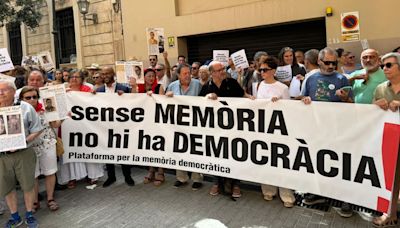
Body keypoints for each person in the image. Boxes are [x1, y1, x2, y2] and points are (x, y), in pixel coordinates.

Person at [301, 47, 352, 216]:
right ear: (320, 61)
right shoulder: (310, 79)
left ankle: (346, 198)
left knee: (340, 163)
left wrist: (345, 98)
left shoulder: (342, 78)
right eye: (327, 62)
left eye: (334, 63)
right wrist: (305, 99)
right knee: (319, 161)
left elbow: (351, 105)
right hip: (317, 128)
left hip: (338, 129)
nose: (331, 66)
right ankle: (318, 194)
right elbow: (302, 99)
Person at [200, 60, 254, 198]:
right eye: (219, 70)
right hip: (215, 129)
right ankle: (216, 182)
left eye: (223, 68)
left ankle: (236, 184)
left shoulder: (232, 82)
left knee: (234, 155)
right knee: (216, 155)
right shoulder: (207, 87)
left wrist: (252, 99)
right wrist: (207, 98)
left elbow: (243, 95)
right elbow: (198, 104)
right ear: (211, 73)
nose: (223, 71)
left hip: (233, 127)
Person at [0, 80, 43, 228]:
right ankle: (14, 216)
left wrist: (23, 141)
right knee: (7, 187)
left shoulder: (25, 107)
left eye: (4, 90)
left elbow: (38, 128)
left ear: (13, 92)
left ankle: (30, 214)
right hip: (2, 156)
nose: (0, 93)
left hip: (23, 152)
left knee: (27, 185)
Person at [255, 56, 294, 207]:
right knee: (266, 159)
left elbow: (289, 109)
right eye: (260, 70)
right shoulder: (260, 85)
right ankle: (268, 190)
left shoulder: (282, 88)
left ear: (273, 70)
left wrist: (279, 104)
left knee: (281, 161)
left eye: (264, 69)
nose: (262, 72)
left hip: (279, 129)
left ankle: (286, 195)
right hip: (264, 128)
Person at [58, 70, 103, 188]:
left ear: (82, 79)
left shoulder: (88, 90)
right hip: (68, 127)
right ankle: (71, 177)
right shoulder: (63, 91)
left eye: (77, 77)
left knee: (87, 149)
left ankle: (92, 175)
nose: (73, 79)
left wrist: (93, 95)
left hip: (85, 126)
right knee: (70, 151)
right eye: (71, 77)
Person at [19, 86, 62, 213]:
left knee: (50, 172)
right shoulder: (18, 111)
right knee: (33, 176)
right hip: (29, 147)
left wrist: (62, 116)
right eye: (28, 97)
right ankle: (35, 201)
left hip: (47, 144)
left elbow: (55, 124)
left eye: (35, 97)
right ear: (22, 99)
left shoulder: (46, 109)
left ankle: (50, 199)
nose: (32, 100)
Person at [372, 52, 400, 227]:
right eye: (383, 66)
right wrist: (376, 105)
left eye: (388, 65)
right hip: (390, 140)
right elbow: (371, 111)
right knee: (392, 176)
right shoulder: (381, 88)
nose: (384, 69)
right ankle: (390, 213)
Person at [165, 63, 204, 190]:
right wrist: (167, 97)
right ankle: (181, 178)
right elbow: (163, 103)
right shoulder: (172, 86)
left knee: (195, 152)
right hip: (178, 126)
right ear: (178, 75)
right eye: (185, 73)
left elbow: (205, 102)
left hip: (194, 125)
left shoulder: (197, 84)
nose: (188, 76)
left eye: (189, 73)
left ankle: (197, 178)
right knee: (179, 151)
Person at [96, 66, 135, 187]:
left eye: (107, 73)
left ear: (113, 74)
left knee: (123, 152)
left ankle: (127, 176)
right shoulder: (99, 90)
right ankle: (111, 177)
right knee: (108, 151)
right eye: (103, 74)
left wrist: (125, 97)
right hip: (105, 126)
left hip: (121, 126)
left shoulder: (124, 89)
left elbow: (133, 103)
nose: (105, 76)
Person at [133, 68, 166, 186]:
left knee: (158, 146)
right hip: (145, 122)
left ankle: (161, 171)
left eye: (153, 76)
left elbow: (162, 102)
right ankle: (151, 170)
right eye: (149, 76)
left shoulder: (159, 87)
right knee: (148, 146)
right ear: (144, 77)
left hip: (157, 121)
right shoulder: (139, 89)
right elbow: (133, 101)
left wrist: (152, 97)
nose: (151, 78)